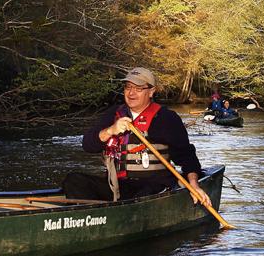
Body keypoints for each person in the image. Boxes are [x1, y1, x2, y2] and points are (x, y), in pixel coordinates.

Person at [63, 66, 212, 206]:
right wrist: (110, 131)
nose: (131, 93)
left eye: (138, 89)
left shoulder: (167, 118)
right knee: (73, 181)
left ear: (151, 91)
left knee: (143, 195)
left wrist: (193, 184)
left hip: (154, 186)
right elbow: (88, 145)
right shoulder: (113, 114)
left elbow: (187, 157)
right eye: (128, 87)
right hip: (118, 186)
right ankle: (90, 219)